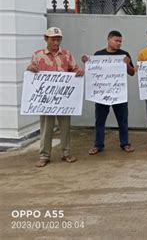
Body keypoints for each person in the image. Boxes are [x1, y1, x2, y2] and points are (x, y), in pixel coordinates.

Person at [27, 27, 84, 167]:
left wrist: (79, 72)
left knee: (65, 126)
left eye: (58, 39)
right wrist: (30, 68)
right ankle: (44, 155)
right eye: (53, 39)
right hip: (46, 99)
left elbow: (74, 69)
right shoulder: (38, 55)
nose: (56, 41)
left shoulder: (66, 55)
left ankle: (66, 153)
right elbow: (31, 71)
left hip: (63, 98)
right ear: (46, 39)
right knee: (46, 127)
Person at [81, 30, 135, 155]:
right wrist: (87, 62)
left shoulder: (124, 55)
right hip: (102, 94)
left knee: (123, 120)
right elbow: (92, 72)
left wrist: (127, 64)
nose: (119, 43)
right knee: (100, 121)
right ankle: (98, 145)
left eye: (120, 41)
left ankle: (125, 143)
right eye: (116, 41)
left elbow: (132, 73)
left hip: (118, 94)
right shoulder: (98, 55)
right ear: (108, 40)